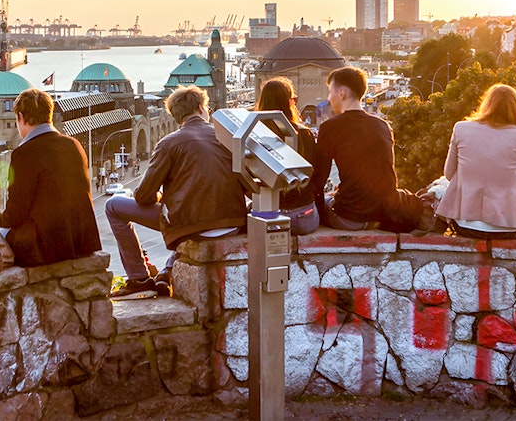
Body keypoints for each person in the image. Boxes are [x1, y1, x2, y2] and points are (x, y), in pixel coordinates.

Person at [106, 86, 247, 299]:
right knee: (183, 213)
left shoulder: (168, 143)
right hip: (232, 224)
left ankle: (139, 279)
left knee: (113, 206)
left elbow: (143, 197)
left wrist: (161, 197)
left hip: (190, 226)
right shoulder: (227, 137)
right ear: (201, 108)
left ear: (175, 115)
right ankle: (166, 271)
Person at [312, 67, 435, 233]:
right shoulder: (383, 125)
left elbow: (319, 180)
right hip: (385, 214)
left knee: (326, 201)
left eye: (330, 92)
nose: (329, 98)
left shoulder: (330, 127)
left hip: (349, 218)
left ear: (341, 93)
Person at [0, 88, 102, 266]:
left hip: (47, 246)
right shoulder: (74, 144)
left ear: (21, 117)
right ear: (50, 115)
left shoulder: (25, 153)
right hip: (82, 241)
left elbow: (16, 213)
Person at [436, 84, 516, 239]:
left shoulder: (461, 129)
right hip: (510, 227)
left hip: (465, 225)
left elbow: (449, 174)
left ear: (486, 104)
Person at [256, 77, 319, 235]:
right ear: (290, 102)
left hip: (267, 216)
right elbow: (315, 173)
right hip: (304, 217)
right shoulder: (303, 133)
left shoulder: (253, 134)